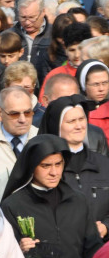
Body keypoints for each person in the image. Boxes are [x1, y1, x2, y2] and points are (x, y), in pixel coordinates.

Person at [37, 94, 109, 236]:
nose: (79, 126)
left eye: (81, 119)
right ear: (57, 126)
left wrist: (106, 227)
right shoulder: (42, 168)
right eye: (71, 121)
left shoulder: (104, 164)